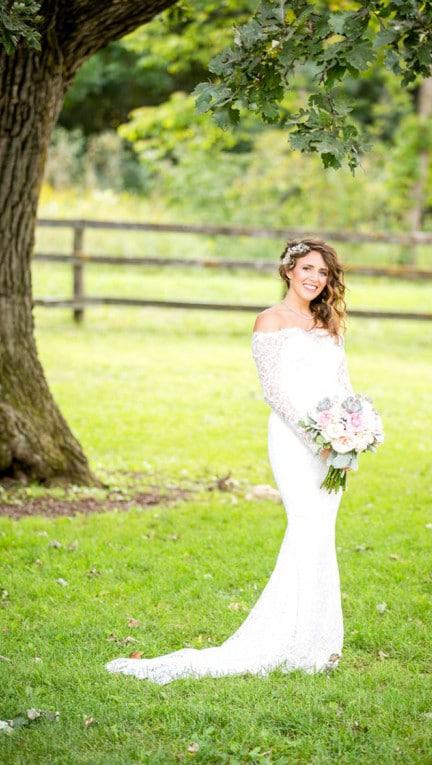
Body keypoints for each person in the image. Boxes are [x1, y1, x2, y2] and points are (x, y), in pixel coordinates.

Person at [106, 238, 354, 684]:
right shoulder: (269, 321)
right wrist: (316, 438)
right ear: (288, 270)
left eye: (323, 273)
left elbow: (342, 382)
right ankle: (281, 640)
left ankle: (315, 642)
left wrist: (349, 437)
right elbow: (274, 393)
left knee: (322, 534)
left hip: (334, 442)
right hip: (295, 440)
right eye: (308, 269)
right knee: (305, 527)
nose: (315, 279)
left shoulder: (329, 323)